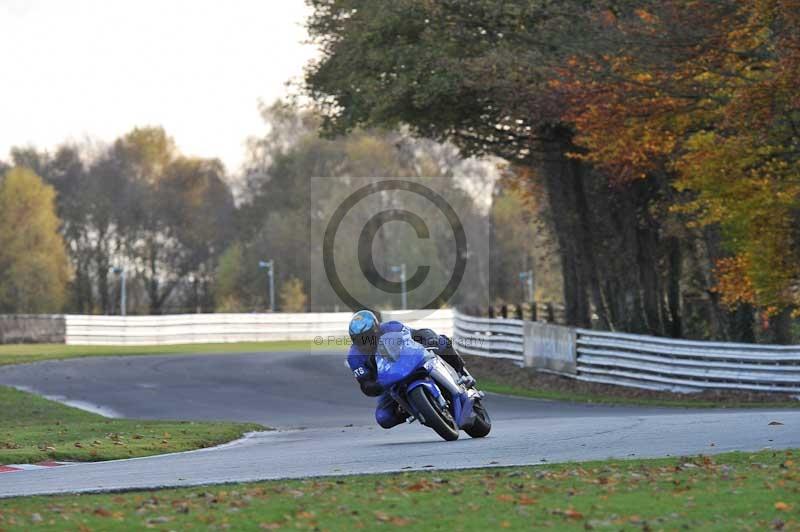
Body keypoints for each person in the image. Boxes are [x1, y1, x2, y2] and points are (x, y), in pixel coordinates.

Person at [346, 309, 474, 428]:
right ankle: (414, 409)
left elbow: (416, 334)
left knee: (441, 342)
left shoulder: (392, 327)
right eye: (358, 340)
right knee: (383, 418)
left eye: (367, 337)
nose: (364, 343)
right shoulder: (354, 357)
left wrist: (429, 339)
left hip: (412, 362)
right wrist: (376, 386)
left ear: (376, 330)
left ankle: (461, 372)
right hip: (390, 383)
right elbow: (365, 384)